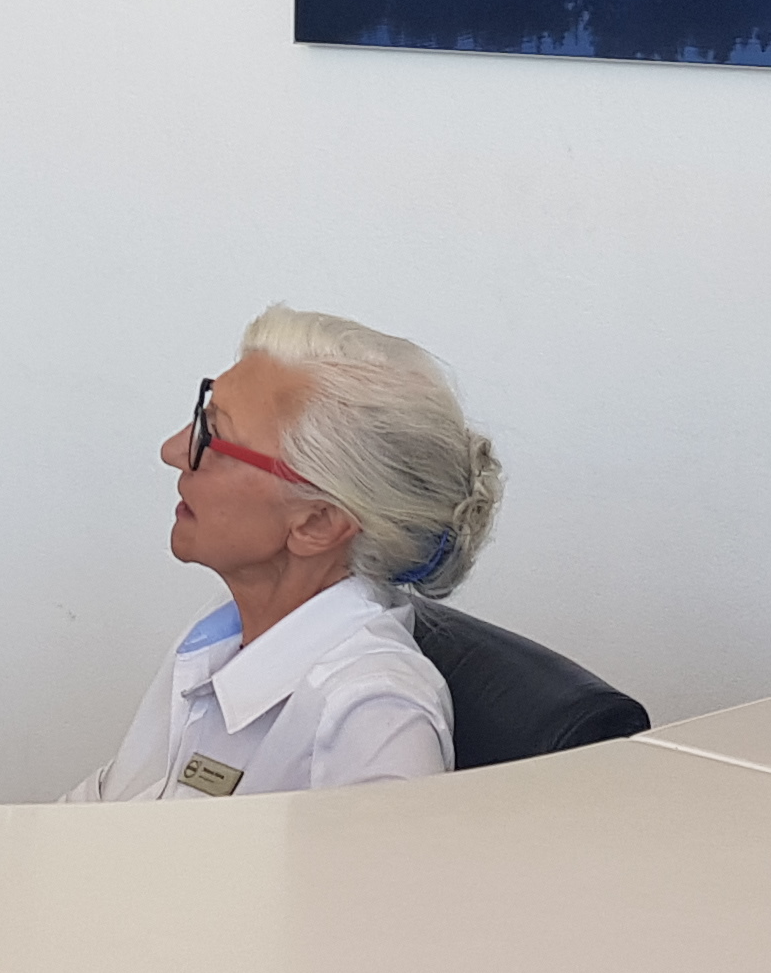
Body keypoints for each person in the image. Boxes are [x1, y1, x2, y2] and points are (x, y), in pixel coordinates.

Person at [63, 306, 504, 801]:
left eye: (215, 437)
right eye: (202, 416)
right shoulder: (221, 631)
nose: (173, 450)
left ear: (317, 523)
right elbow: (108, 808)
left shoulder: (371, 719)